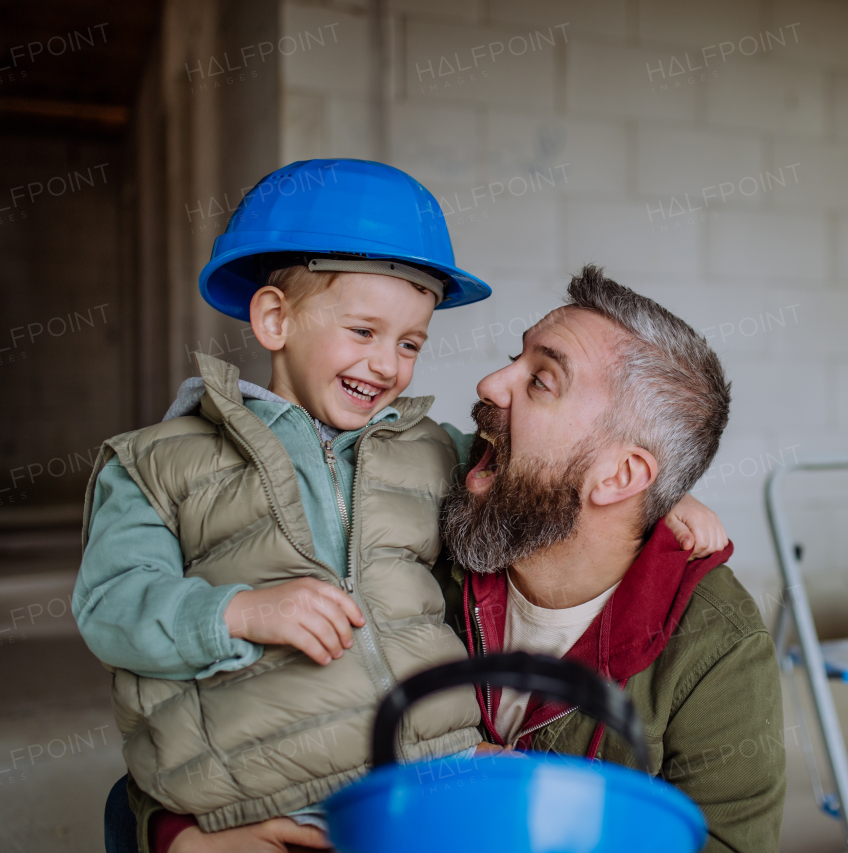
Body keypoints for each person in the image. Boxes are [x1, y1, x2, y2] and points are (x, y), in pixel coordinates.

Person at [77, 161, 726, 853]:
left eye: (410, 342)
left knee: (559, 809)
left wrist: (659, 490)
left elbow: (530, 467)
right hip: (260, 785)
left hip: (433, 758)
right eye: (363, 332)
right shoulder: (155, 461)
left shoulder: (420, 448)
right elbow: (112, 605)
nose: (387, 364)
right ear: (275, 318)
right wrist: (236, 612)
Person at [436, 266, 785, 852]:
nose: (491, 385)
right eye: (514, 361)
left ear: (621, 475)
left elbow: (727, 842)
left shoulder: (718, 645)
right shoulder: (418, 527)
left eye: (541, 381)